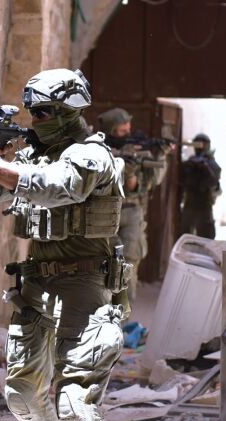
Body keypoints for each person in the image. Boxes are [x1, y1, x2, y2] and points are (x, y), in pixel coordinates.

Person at [0, 69, 128, 421]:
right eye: (32, 113)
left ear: (67, 111)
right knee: (22, 395)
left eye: (42, 112)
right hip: (37, 285)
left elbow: (55, 188)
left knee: (74, 406)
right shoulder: (37, 155)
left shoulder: (91, 155)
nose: (35, 121)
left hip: (84, 287)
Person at [97, 108, 169, 302]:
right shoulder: (97, 149)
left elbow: (147, 182)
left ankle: (123, 315)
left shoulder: (135, 149)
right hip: (103, 212)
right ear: (111, 131)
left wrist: (158, 156)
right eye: (122, 131)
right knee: (100, 264)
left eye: (128, 129)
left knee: (128, 264)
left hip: (131, 211)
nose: (127, 134)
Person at [180, 133, 221, 239]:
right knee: (185, 237)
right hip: (190, 204)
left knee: (206, 238)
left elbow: (213, 181)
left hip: (204, 205)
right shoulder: (190, 162)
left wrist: (205, 167)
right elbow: (182, 179)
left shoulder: (211, 164)